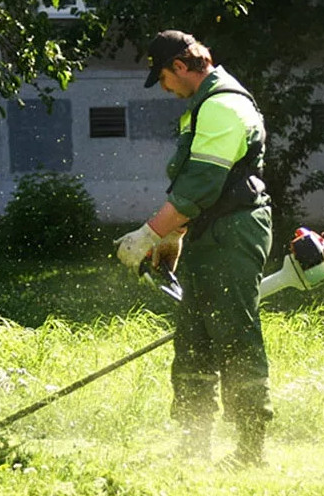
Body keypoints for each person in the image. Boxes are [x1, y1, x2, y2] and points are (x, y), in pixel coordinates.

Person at [114, 30, 273, 468]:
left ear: (181, 67)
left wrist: (148, 234)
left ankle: (250, 448)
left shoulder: (223, 106)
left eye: (163, 77)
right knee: (194, 341)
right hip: (210, 231)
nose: (164, 86)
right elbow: (192, 187)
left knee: (235, 336)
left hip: (234, 231)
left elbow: (203, 184)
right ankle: (192, 442)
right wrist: (172, 237)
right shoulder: (200, 109)